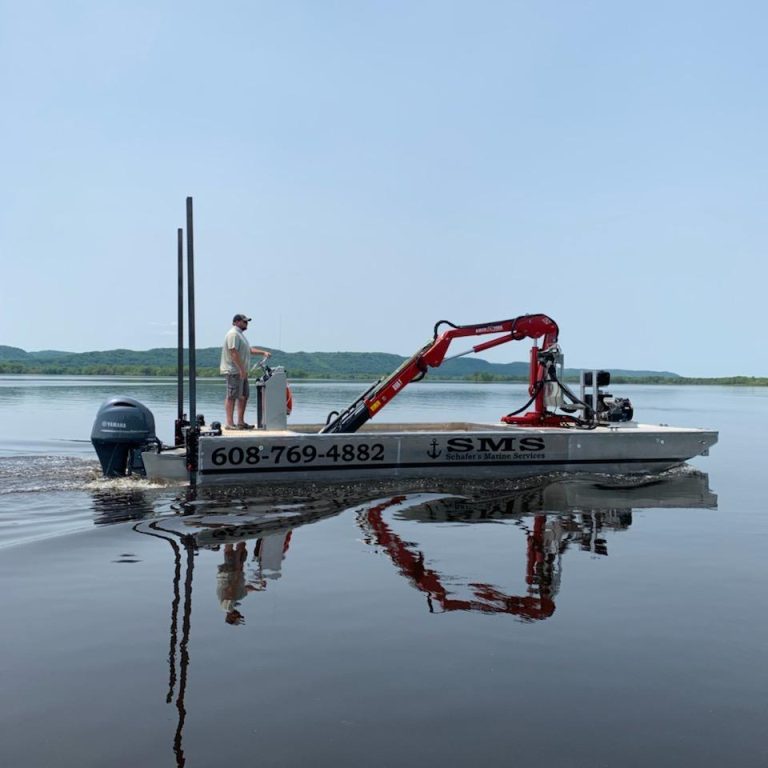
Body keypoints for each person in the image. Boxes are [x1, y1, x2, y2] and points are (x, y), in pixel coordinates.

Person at [220, 313, 271, 430]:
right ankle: (229, 423)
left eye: (247, 322)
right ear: (236, 322)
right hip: (233, 371)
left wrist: (263, 352)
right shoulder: (233, 334)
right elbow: (233, 352)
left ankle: (240, 422)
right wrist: (241, 369)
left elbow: (248, 350)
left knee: (243, 396)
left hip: (241, 372)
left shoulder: (240, 335)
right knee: (231, 396)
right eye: (244, 321)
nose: (246, 324)